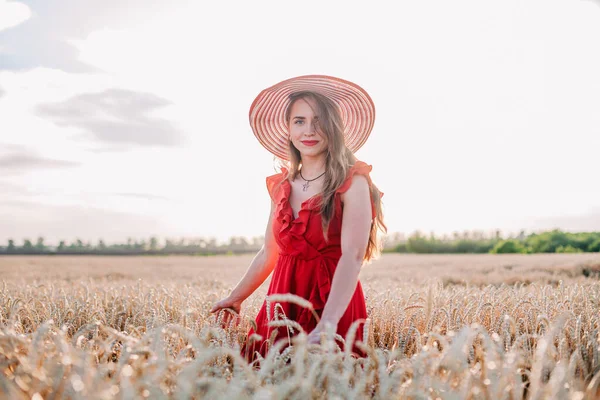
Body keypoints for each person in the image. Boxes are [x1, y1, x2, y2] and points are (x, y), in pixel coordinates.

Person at [210, 75, 386, 362]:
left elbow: (352, 257)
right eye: (299, 121)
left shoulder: (353, 182)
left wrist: (328, 323)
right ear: (289, 129)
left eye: (319, 120)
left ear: (335, 127)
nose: (309, 130)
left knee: (329, 383)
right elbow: (270, 251)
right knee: (267, 380)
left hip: (333, 302)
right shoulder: (281, 186)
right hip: (280, 303)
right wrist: (236, 297)